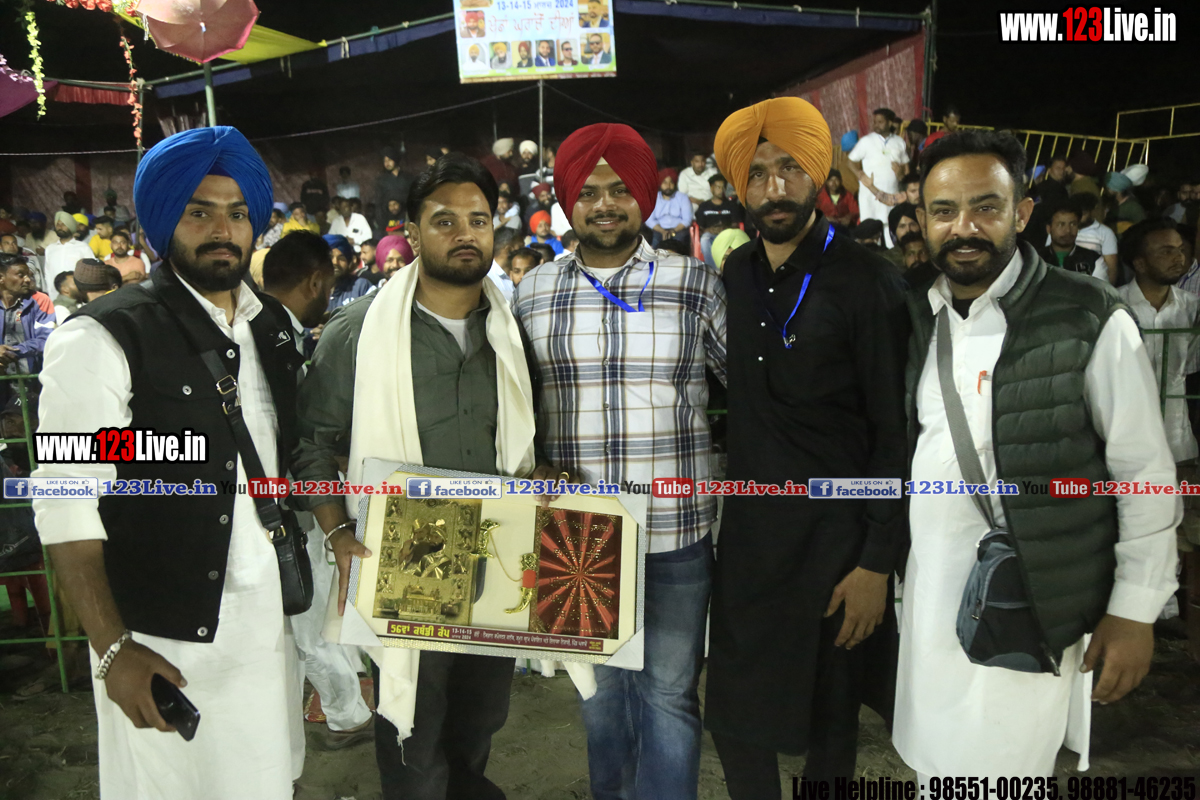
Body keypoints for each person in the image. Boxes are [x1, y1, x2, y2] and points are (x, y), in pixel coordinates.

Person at [895, 129, 1179, 780]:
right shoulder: (920, 313)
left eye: (986, 207)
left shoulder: (1086, 314)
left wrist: (1134, 610)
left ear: (1022, 212)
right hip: (932, 604)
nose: (964, 227)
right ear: (924, 220)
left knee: (1002, 775)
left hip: (1031, 604)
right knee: (936, 766)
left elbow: (1143, 472)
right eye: (944, 211)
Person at [33, 126, 306, 800]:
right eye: (199, 211)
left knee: (269, 784)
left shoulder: (271, 325)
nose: (223, 230)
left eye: (237, 212)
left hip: (270, 624)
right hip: (165, 639)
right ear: (162, 221)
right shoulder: (102, 336)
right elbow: (65, 502)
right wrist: (113, 649)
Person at [294, 152, 541, 799]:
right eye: (444, 220)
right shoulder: (359, 331)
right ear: (411, 230)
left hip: (495, 546)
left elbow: (524, 439)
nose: (465, 234)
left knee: (480, 719)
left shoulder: (508, 331)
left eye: (478, 220)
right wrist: (337, 533)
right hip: (407, 549)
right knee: (414, 727)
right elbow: (312, 444)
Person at [513, 121, 726, 800]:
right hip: (576, 534)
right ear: (567, 201)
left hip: (675, 530)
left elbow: (749, 388)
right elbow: (513, 405)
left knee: (668, 694)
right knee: (599, 695)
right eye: (588, 192)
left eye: (619, 190)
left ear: (643, 195)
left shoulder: (695, 283)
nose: (604, 205)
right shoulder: (532, 292)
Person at [707, 97, 907, 795]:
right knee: (734, 711)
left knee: (831, 718)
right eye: (758, 173)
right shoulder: (735, 275)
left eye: (790, 168)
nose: (775, 188)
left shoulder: (867, 279)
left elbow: (893, 432)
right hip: (750, 539)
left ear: (818, 174)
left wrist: (876, 563)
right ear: (740, 185)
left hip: (837, 545)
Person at [1115, 219, 1197, 462]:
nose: (1178, 258)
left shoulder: (1192, 308)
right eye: (1166, 251)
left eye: (1180, 249)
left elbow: (1190, 367)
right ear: (1139, 263)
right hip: (1126, 443)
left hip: (1177, 441)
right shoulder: (1114, 307)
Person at [848, 108, 910, 246]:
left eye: (880, 122)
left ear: (890, 123)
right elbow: (850, 161)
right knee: (870, 228)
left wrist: (901, 174)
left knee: (890, 227)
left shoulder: (899, 142)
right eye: (875, 121)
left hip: (892, 195)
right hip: (870, 195)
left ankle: (890, 252)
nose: (876, 125)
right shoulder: (866, 141)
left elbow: (906, 168)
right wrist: (859, 174)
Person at [0, 254, 54, 376]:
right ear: (1, 278)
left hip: (31, 376)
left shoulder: (40, 300)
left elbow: (46, 339)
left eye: (28, 275)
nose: (27, 280)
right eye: (21, 275)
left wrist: (11, 353)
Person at [1035, 201, 1105, 278]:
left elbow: (1101, 285)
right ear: (1048, 229)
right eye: (1061, 224)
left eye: (1073, 224)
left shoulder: (1094, 260)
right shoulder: (1035, 259)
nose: (1068, 230)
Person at [1067, 191, 1119, 283]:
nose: (1078, 217)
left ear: (1092, 211)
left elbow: (1112, 269)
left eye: (1083, 214)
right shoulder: (1062, 230)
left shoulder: (1105, 233)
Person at [694, 174, 743, 267]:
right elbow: (700, 227)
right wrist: (709, 230)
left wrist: (724, 229)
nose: (721, 190)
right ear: (711, 188)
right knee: (704, 239)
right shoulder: (704, 206)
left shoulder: (731, 205)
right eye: (718, 187)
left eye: (723, 187)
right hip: (711, 235)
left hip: (727, 235)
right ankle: (714, 269)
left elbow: (735, 224)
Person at [42, 211, 95, 294]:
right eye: (58, 224)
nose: (60, 227)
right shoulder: (50, 248)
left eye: (64, 224)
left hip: (78, 294)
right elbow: (47, 274)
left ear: (71, 226)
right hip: (55, 295)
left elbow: (92, 271)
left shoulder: (83, 247)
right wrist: (49, 291)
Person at [646, 168, 694, 248]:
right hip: (659, 229)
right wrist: (662, 231)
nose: (668, 186)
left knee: (678, 244)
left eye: (671, 182)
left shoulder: (682, 197)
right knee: (655, 244)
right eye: (665, 182)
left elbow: (687, 219)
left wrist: (673, 231)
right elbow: (649, 219)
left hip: (678, 229)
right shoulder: (654, 198)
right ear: (660, 184)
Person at [324, 235, 373, 311]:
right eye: (330, 257)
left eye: (341, 258)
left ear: (348, 261)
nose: (335, 262)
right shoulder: (311, 290)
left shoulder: (361, 287)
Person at [375, 146, 414, 233]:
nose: (387, 163)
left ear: (395, 159)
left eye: (389, 160)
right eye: (385, 161)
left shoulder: (408, 178)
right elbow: (379, 204)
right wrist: (382, 225)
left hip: (406, 218)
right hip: (388, 220)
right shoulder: (381, 180)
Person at [487, 226, 524, 302]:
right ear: (509, 250)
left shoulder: (522, 275)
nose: (524, 253)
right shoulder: (487, 278)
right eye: (521, 248)